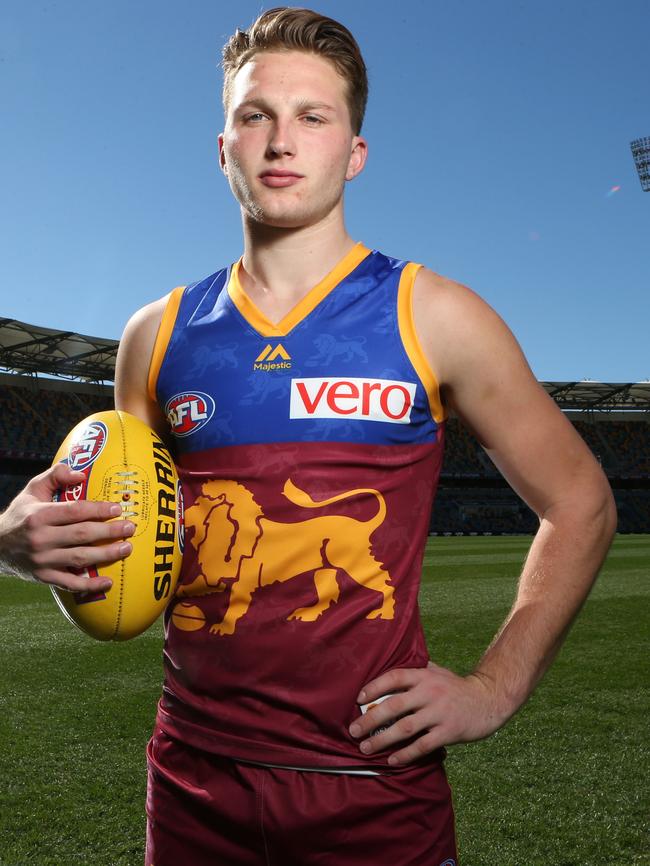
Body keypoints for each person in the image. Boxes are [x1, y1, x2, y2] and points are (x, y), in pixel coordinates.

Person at [0, 8, 616, 865]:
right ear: (224, 149)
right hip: (193, 783)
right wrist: (20, 540)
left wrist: (494, 687)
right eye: (256, 115)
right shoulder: (157, 333)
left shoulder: (435, 315)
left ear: (354, 152)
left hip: (372, 786)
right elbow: (126, 543)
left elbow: (581, 500)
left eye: (312, 116)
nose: (281, 140)